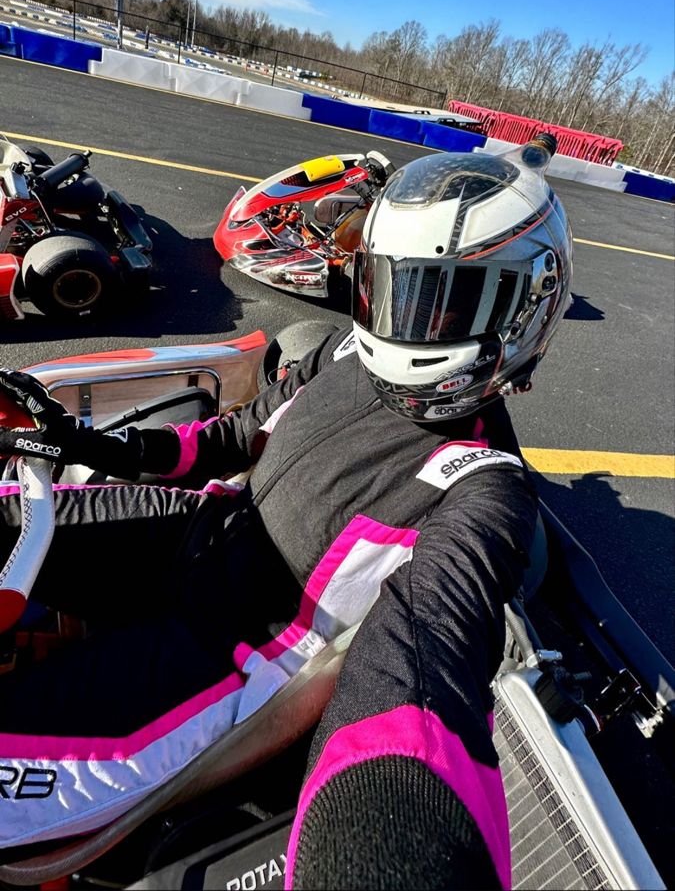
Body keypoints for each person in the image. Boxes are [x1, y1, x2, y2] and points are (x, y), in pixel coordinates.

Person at [0, 136, 571, 888]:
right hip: (195, 535)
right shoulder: (341, 355)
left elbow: (418, 666)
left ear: (521, 307)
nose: (408, 321)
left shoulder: (485, 491)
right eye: (396, 290)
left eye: (443, 300)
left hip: (222, 665)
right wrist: (83, 442)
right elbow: (231, 437)